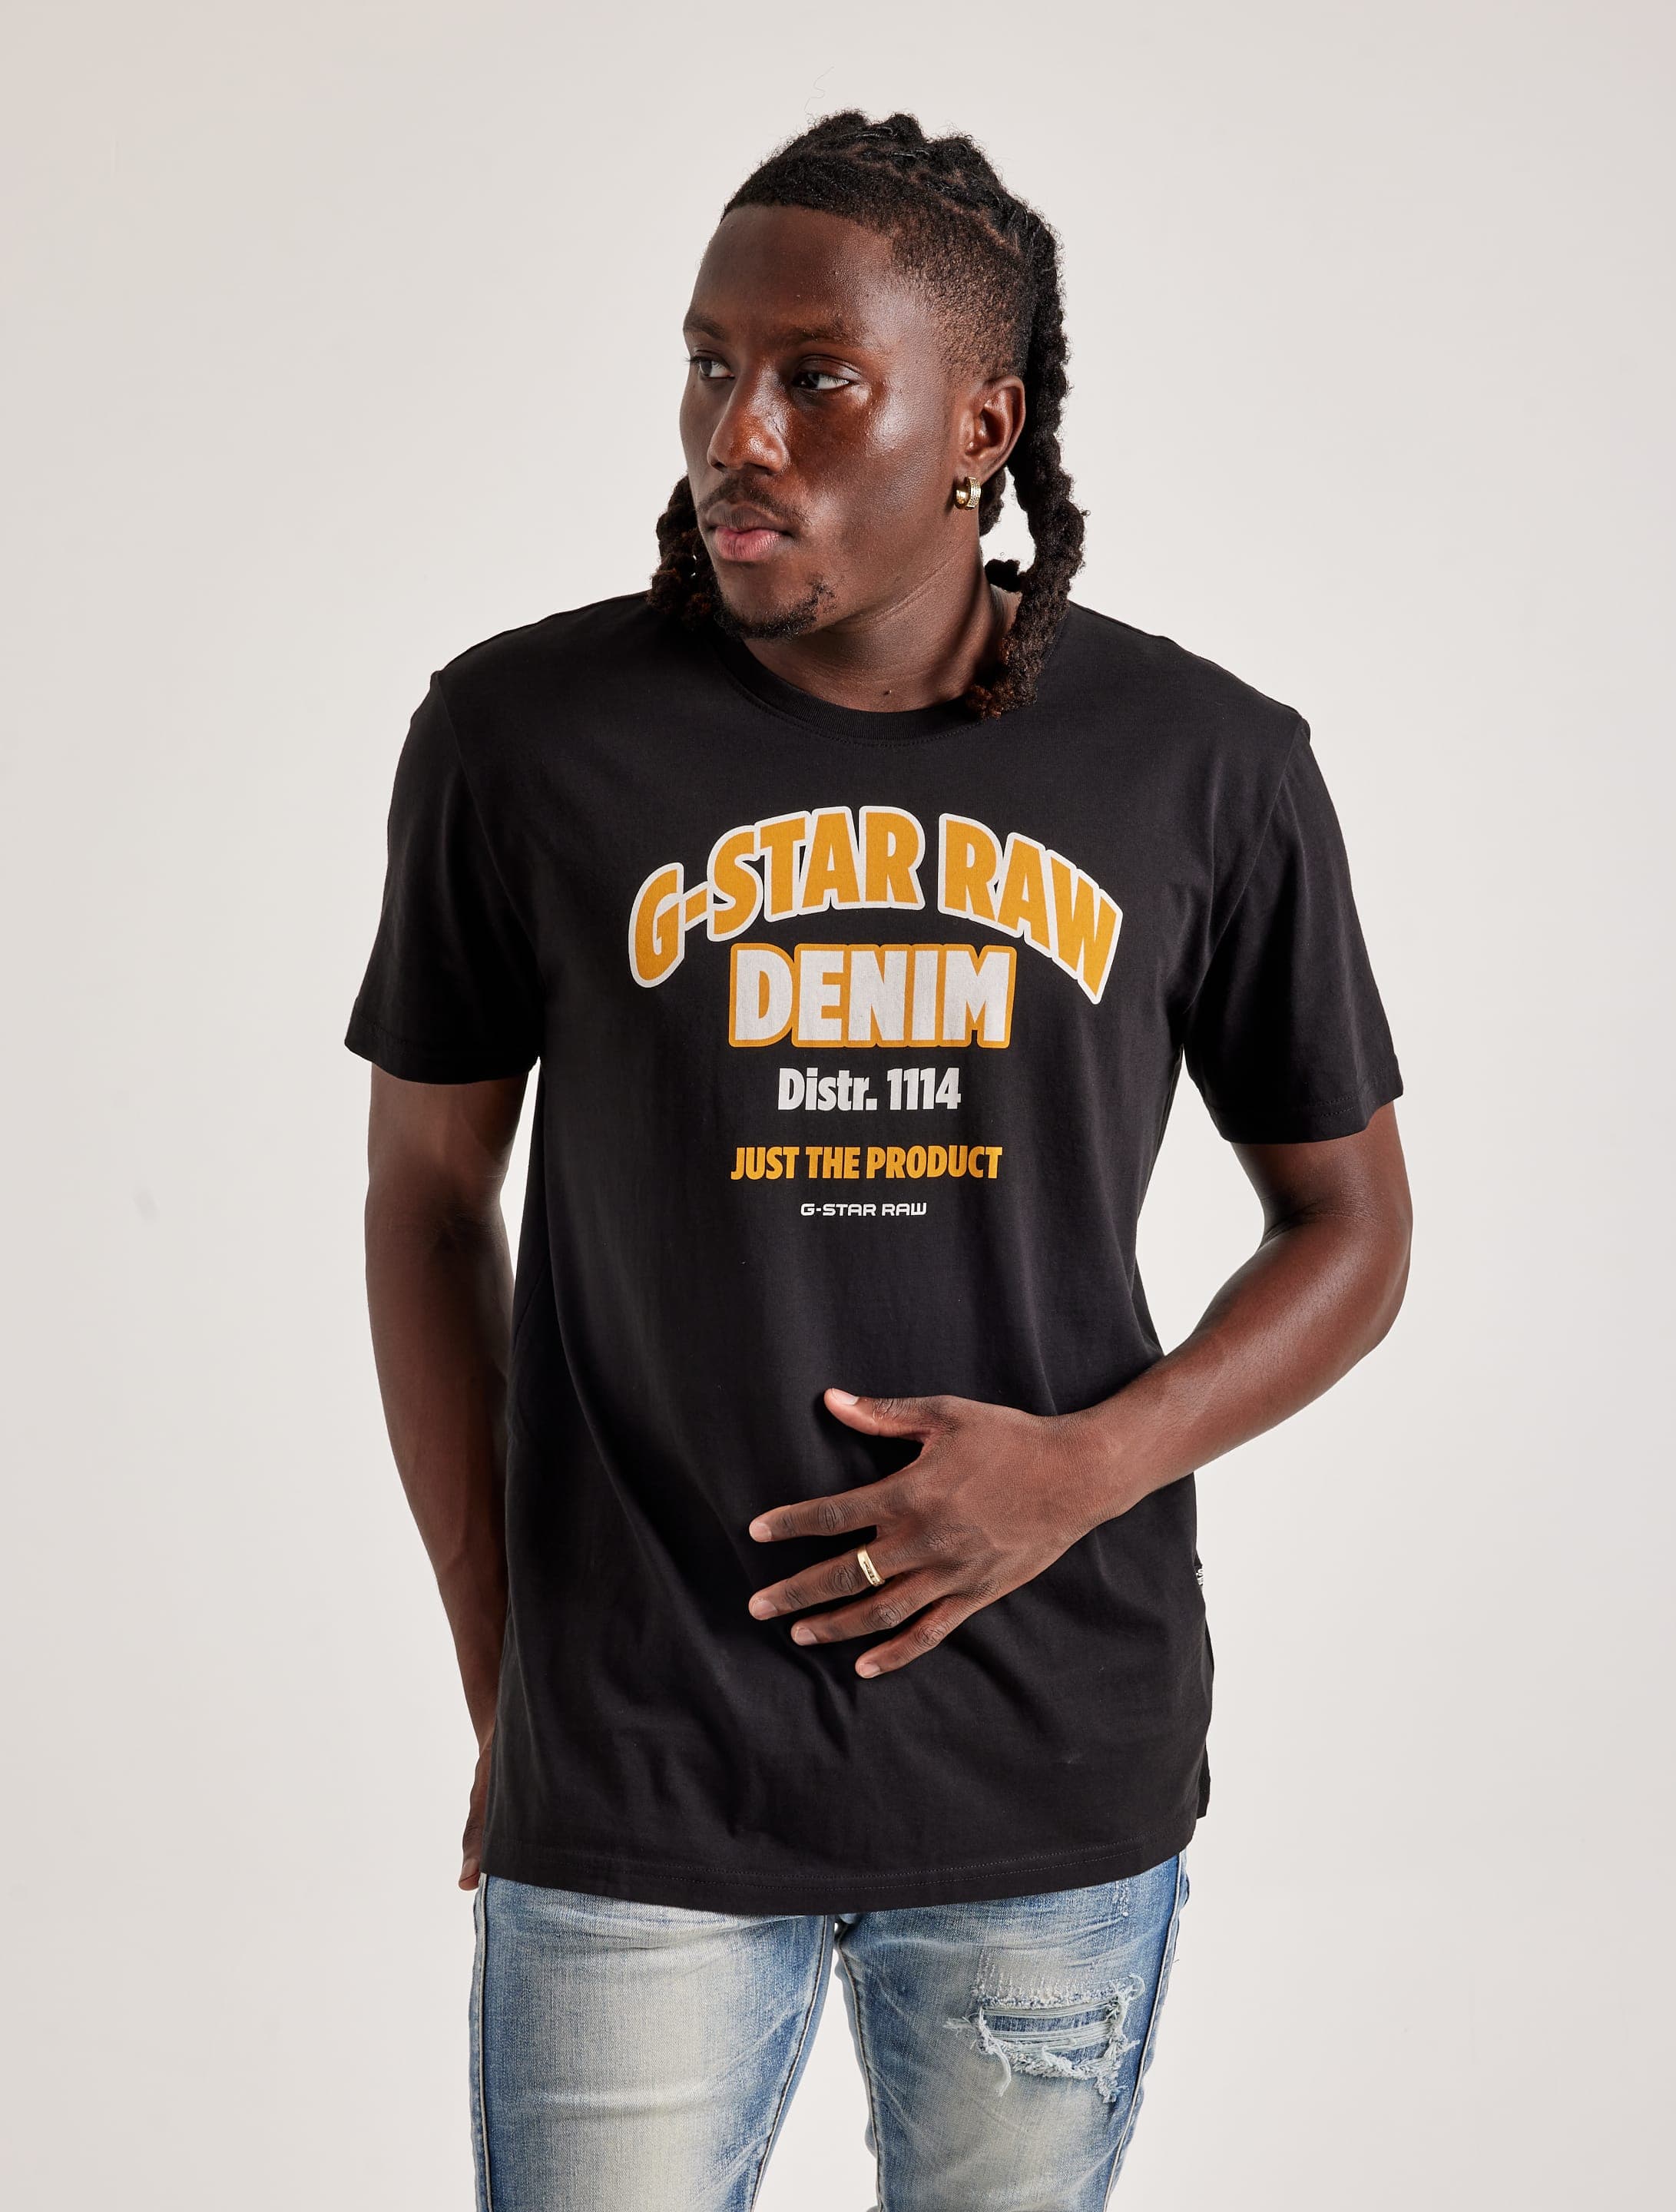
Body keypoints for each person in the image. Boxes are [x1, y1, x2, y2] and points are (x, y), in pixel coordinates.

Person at [346, 108, 1411, 2212]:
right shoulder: (522, 738)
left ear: (980, 428)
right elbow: (426, 1204)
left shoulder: (1203, 764)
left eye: (816, 378)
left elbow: (1353, 1230)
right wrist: (510, 1683)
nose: (734, 433)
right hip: (638, 1777)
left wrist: (1084, 1469)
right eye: (707, 364)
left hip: (1043, 1766)